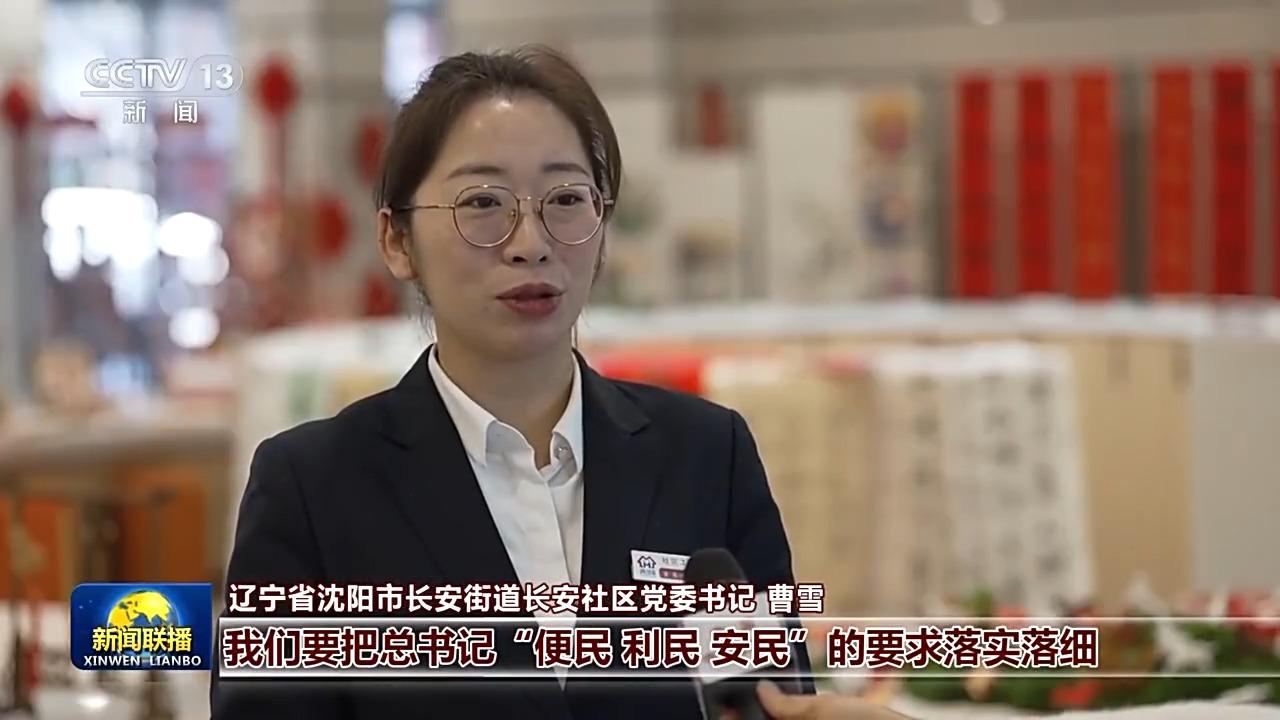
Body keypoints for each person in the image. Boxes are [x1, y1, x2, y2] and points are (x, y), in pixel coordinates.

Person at [211, 46, 810, 719]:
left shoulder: (707, 455)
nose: (531, 242)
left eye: (566, 199)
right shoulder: (313, 488)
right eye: (483, 202)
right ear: (397, 241)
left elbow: (778, 702)